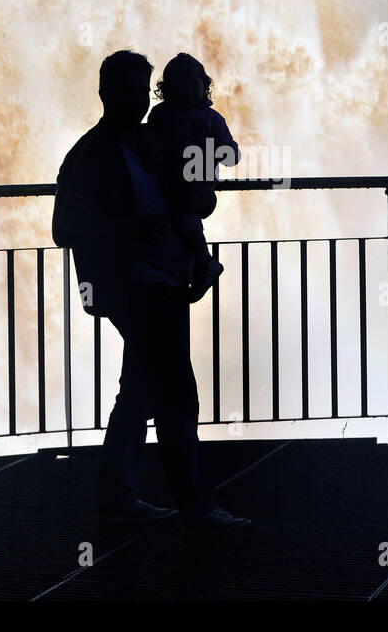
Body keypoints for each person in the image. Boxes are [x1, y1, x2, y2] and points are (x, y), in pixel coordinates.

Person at [51, 48, 251, 535]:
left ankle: (117, 497)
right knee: (177, 395)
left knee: (139, 392)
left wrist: (199, 203)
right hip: (134, 287)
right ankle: (196, 508)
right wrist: (131, 231)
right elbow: (64, 228)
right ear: (104, 93)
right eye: (128, 92)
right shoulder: (91, 154)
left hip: (164, 281)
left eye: (141, 92)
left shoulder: (151, 140)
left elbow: (191, 194)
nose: (137, 101)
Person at [146, 52, 240, 303]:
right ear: (168, 90)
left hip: (197, 188)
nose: (188, 91)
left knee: (182, 212)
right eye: (180, 86)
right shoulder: (160, 116)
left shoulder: (212, 120)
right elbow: (148, 147)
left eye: (193, 85)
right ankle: (199, 265)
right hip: (167, 185)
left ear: (204, 86)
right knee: (175, 216)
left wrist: (213, 153)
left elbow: (232, 154)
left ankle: (205, 261)